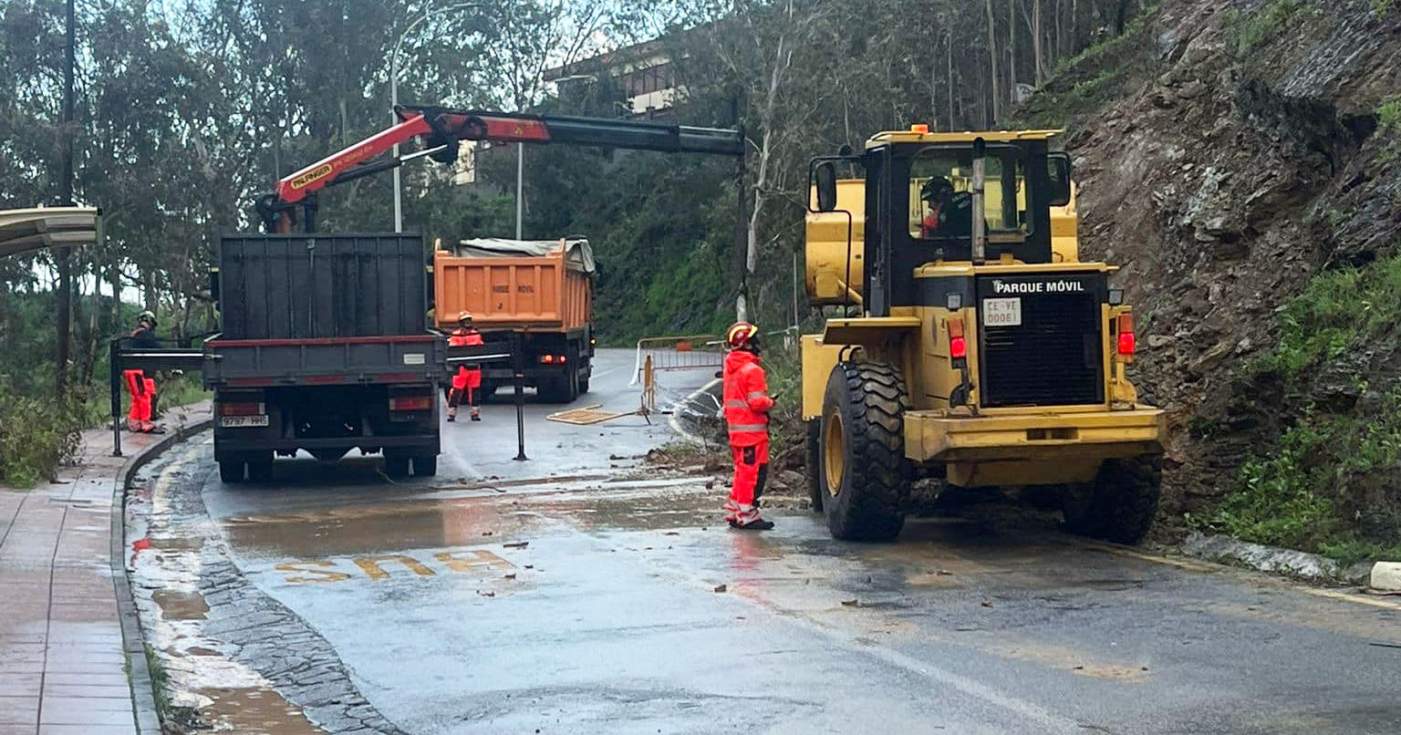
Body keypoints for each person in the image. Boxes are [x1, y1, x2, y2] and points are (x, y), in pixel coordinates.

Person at [721, 321, 775, 531]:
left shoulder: (731, 368)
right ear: (747, 343)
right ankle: (746, 513)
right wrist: (771, 402)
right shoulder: (752, 370)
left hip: (737, 431)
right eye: (753, 339)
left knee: (742, 471)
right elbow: (757, 402)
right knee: (751, 474)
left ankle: (736, 510)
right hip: (752, 433)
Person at [123, 311, 164, 434]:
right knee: (144, 396)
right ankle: (146, 423)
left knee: (138, 397)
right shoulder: (145, 335)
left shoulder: (135, 335)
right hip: (138, 371)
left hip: (132, 370)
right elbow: (158, 348)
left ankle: (134, 421)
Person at [447, 311, 484, 422]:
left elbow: (480, 347)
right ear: (461, 322)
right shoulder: (455, 335)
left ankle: (475, 413)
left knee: (475, 391)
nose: (467, 323)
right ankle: (451, 413)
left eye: (469, 320)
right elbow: (453, 349)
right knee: (456, 391)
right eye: (465, 320)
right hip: (461, 368)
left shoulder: (476, 334)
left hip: (474, 368)